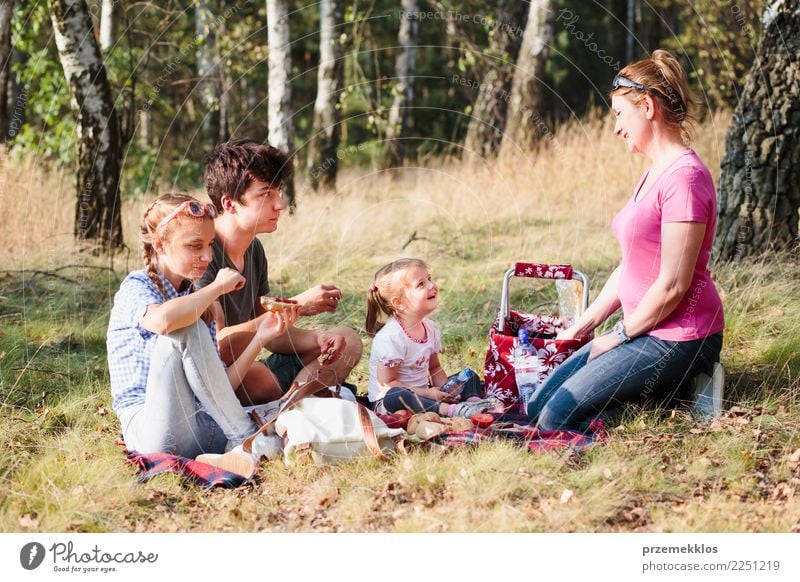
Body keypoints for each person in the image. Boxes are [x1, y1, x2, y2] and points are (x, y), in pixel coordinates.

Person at [526, 50, 725, 432]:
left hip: (679, 337)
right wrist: (585, 325)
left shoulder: (685, 178)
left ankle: (674, 400)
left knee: (558, 418)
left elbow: (672, 286)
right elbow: (633, 263)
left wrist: (616, 337)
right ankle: (659, 393)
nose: (616, 128)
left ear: (647, 106)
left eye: (620, 114)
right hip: (643, 329)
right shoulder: (654, 173)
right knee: (538, 406)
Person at [107, 194, 299, 478]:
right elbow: (163, 321)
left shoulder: (195, 299)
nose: (207, 257)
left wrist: (260, 337)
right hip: (151, 431)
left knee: (291, 412)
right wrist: (215, 289)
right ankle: (247, 439)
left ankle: (241, 444)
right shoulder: (136, 286)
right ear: (160, 245)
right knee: (187, 326)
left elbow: (220, 387)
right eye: (195, 246)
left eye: (209, 245)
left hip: (201, 428)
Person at [197, 139, 362, 406]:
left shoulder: (254, 249)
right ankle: (300, 401)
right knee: (258, 380)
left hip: (252, 363)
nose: (280, 204)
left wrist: (319, 340)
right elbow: (219, 347)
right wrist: (296, 305)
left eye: (279, 191)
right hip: (221, 374)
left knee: (348, 340)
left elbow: (273, 335)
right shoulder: (202, 253)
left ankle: (291, 403)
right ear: (229, 203)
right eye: (265, 194)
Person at [365, 258, 498, 417]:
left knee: (468, 375)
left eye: (429, 279)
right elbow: (387, 385)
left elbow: (434, 369)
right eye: (421, 284)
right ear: (399, 302)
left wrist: (447, 391)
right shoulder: (391, 337)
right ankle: (450, 410)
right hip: (391, 403)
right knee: (396, 395)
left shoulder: (430, 328)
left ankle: (473, 404)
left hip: (425, 395)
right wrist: (427, 394)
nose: (431, 285)